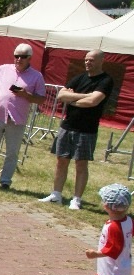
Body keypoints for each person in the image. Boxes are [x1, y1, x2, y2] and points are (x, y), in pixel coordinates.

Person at [39, 49, 114, 210]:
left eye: (92, 60)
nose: (88, 62)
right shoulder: (79, 78)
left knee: (81, 164)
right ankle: (56, 194)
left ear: (101, 61)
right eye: (86, 60)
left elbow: (93, 101)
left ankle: (76, 199)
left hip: (87, 129)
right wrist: (83, 97)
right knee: (61, 161)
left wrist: (72, 99)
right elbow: (61, 96)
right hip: (67, 126)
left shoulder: (106, 80)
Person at [0, 44, 46, 189]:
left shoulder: (36, 76)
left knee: (12, 152)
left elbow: (41, 98)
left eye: (22, 56)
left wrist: (25, 95)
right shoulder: (4, 68)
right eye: (16, 56)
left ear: (30, 58)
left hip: (17, 119)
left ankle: (5, 181)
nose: (18, 59)